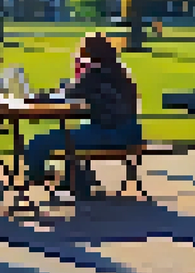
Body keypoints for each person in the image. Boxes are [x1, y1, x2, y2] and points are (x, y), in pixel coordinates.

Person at [24, 33, 142, 190]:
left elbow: (67, 94)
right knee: (72, 135)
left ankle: (37, 178)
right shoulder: (119, 71)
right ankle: (75, 179)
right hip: (130, 132)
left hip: (110, 134)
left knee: (39, 142)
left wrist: (37, 97)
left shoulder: (95, 74)